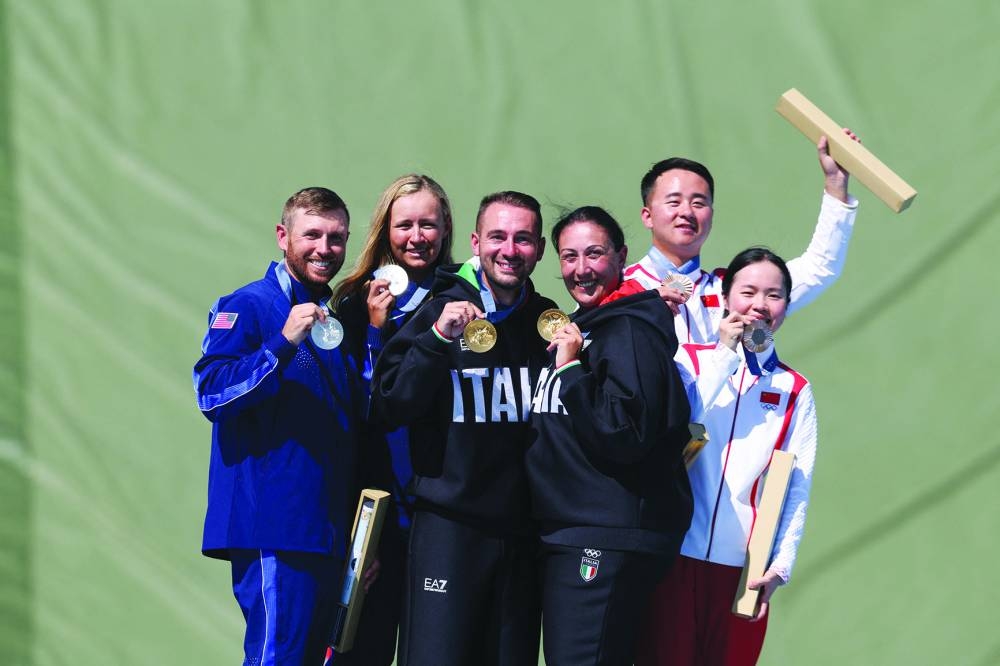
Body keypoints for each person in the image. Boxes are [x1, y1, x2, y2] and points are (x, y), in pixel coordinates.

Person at [372, 191, 555, 666]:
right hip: (449, 531)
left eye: (523, 239)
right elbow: (389, 405)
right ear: (476, 242)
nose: (509, 250)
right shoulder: (439, 311)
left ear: (539, 248)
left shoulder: (550, 324)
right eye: (497, 237)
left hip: (521, 537)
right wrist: (435, 342)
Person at [193, 187, 367, 665]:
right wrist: (283, 341)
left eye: (336, 238)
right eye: (312, 234)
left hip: (326, 530)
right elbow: (211, 393)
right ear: (282, 236)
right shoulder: (249, 305)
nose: (324, 249)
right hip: (273, 526)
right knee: (276, 657)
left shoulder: (337, 319)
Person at [634, 247, 819, 666]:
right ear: (725, 296)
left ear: (786, 306)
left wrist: (781, 563)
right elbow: (673, 429)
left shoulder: (794, 390)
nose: (759, 305)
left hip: (742, 573)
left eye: (774, 295)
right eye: (748, 291)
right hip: (672, 560)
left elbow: (796, 485)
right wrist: (723, 352)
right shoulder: (689, 361)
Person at [526, 206, 693, 665]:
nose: (581, 269)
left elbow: (624, 433)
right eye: (569, 256)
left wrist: (575, 372)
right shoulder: (590, 329)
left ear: (621, 256)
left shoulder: (628, 333)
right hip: (575, 531)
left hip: (605, 534)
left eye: (595, 254)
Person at [331, 173, 454, 665]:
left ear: (446, 228)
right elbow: (353, 412)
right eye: (405, 225)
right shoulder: (352, 301)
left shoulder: (466, 294)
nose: (417, 236)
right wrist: (375, 332)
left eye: (428, 223)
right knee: (364, 645)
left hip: (440, 504)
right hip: (376, 503)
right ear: (385, 229)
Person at [623, 133, 860, 343]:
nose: (686, 212)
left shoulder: (736, 291)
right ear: (647, 216)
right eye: (674, 202)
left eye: (698, 203)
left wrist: (836, 183)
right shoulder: (621, 289)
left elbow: (820, 266)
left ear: (711, 215)